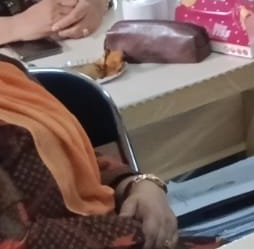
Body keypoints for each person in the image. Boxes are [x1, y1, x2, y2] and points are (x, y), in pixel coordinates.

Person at [0, 54, 179, 248]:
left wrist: (137, 185)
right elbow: (15, 240)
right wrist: (135, 232)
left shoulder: (8, 71)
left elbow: (70, 156)